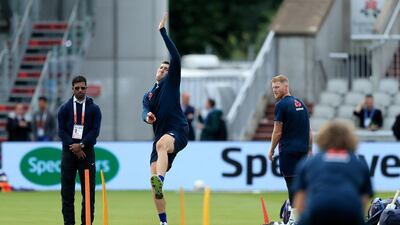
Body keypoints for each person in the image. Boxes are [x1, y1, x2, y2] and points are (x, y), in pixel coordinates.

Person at [141, 13, 188, 225]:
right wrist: (147, 116)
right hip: (160, 136)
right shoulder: (149, 94)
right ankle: (163, 222)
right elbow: (144, 111)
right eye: (161, 67)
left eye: (167, 69)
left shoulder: (172, 82)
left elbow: (175, 58)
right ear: (156, 71)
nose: (164, 69)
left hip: (178, 130)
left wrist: (163, 32)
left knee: (161, 145)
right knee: (154, 190)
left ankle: (160, 179)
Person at [292, 121, 373, 225]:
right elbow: (364, 200)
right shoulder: (359, 163)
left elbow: (299, 200)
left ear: (322, 138)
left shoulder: (309, 162)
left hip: (317, 208)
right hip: (350, 210)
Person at [267, 74, 312, 225]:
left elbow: (277, 131)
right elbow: (309, 130)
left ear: (286, 86)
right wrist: (310, 149)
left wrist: (271, 149)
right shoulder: (301, 103)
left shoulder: (281, 105)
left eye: (277, 87)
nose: (275, 90)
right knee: (301, 184)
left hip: (288, 151)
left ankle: (294, 218)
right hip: (303, 151)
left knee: (291, 184)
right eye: (273, 88)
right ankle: (303, 214)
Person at [58, 75, 102, 225]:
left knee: (88, 194)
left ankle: (87, 223)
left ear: (86, 88)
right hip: (68, 153)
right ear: (72, 89)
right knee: (67, 193)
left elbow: (95, 131)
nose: (80, 90)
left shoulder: (94, 109)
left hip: (87, 153)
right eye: (77, 88)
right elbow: (61, 131)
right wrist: (74, 146)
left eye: (83, 88)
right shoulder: (64, 108)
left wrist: (81, 145)